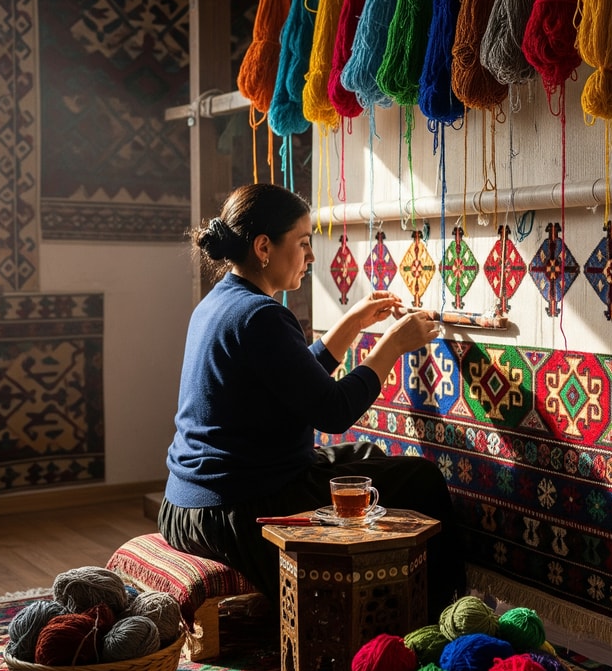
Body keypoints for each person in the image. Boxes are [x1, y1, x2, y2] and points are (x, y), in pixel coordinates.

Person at [159, 182, 467, 616]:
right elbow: (334, 409)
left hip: (189, 504)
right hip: (238, 511)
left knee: (366, 455)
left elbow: (293, 379)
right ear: (264, 246)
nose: (312, 256)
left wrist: (352, 323)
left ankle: (377, 596)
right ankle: (443, 614)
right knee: (421, 480)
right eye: (303, 243)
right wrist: (393, 345)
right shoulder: (260, 315)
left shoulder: (220, 303)